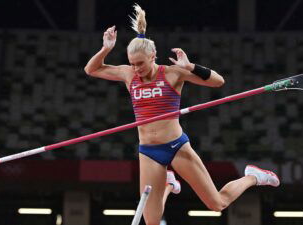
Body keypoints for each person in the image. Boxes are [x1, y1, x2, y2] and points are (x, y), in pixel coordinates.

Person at [84, 4, 280, 225]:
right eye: (132, 64)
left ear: (153, 56)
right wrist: (105, 49)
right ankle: (169, 184)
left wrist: (191, 66)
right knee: (152, 221)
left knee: (217, 204)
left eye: (140, 63)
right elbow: (92, 70)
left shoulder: (172, 74)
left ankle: (253, 177)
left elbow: (218, 81)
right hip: (148, 151)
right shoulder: (129, 75)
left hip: (176, 147)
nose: (136, 69)